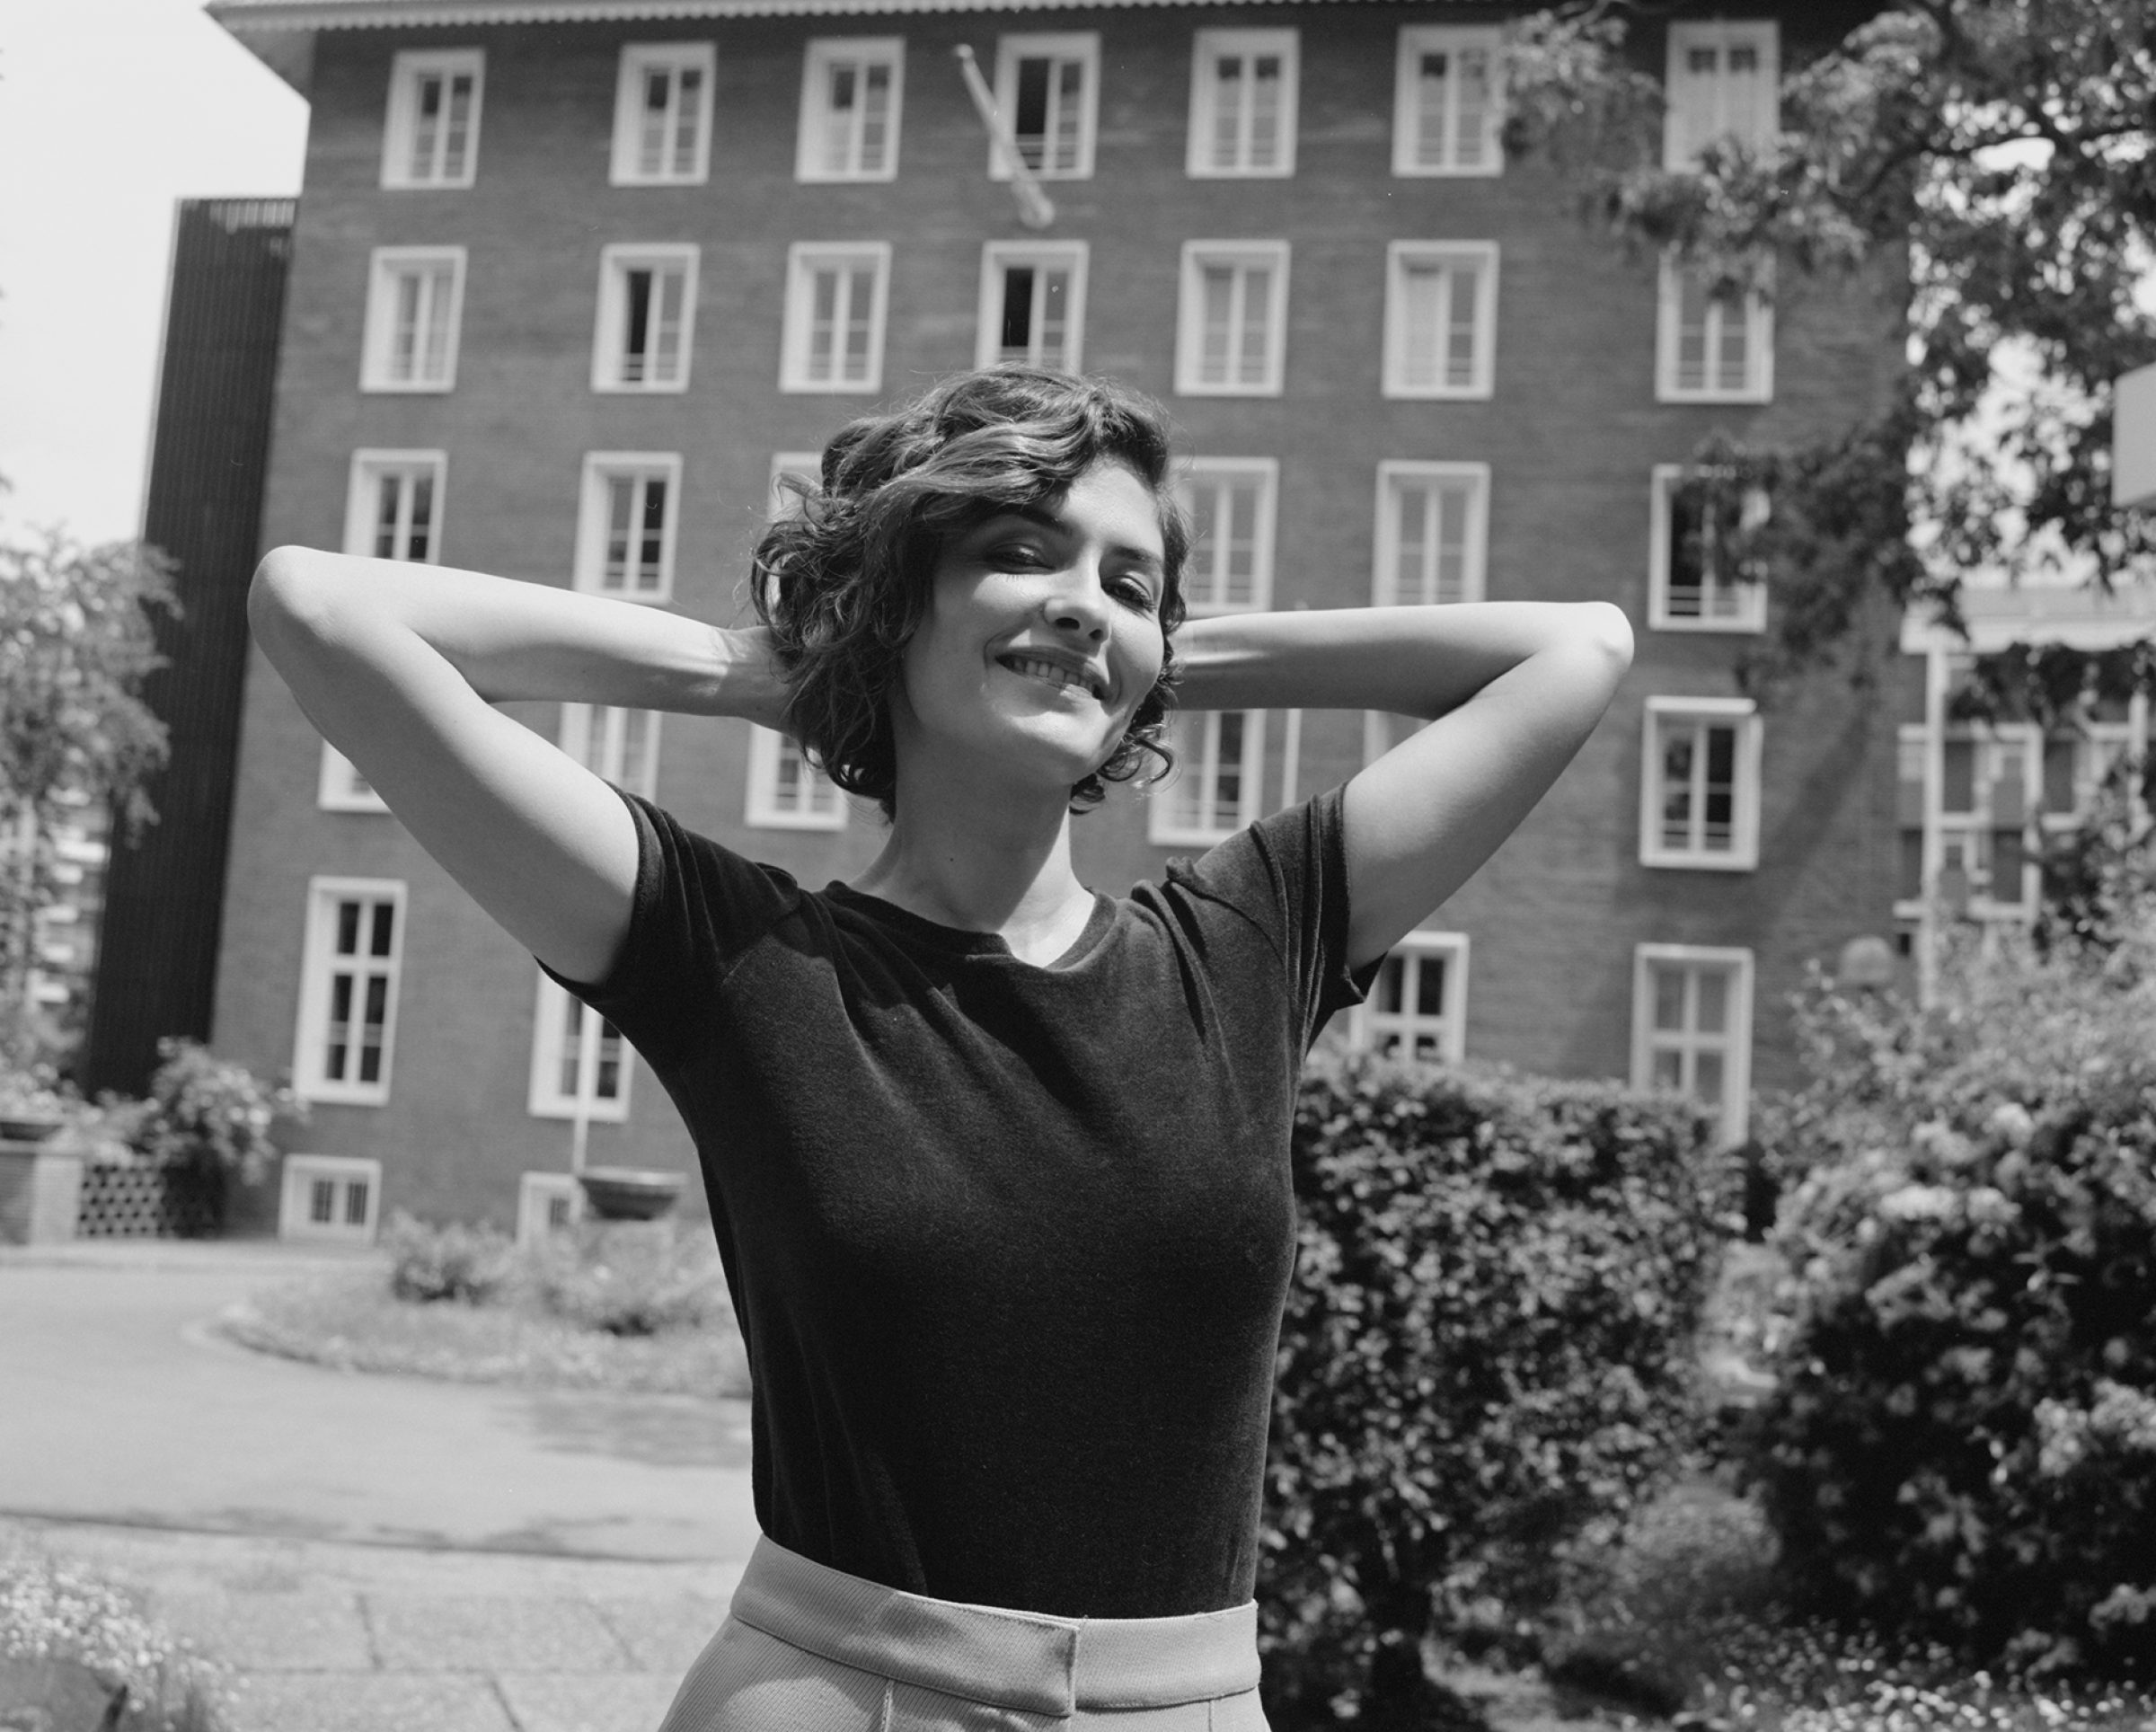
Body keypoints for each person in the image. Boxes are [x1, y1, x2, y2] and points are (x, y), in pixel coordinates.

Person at [249, 367, 1632, 1730]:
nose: (1084, 598)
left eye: (1131, 580)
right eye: (1018, 554)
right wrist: (780, 668)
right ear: (898, 600)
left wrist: (1129, 659)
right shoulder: (740, 961)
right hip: (836, 1696)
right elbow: (320, 606)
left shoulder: (1247, 947)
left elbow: (1577, 650)